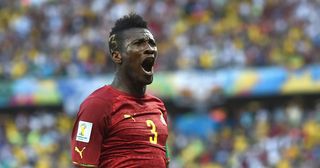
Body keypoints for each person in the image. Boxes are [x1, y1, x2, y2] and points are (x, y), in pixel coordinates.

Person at [70, 13, 169, 167]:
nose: (149, 49)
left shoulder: (158, 106)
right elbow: (82, 165)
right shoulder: (97, 105)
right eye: (139, 43)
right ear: (117, 56)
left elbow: (162, 159)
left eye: (151, 43)